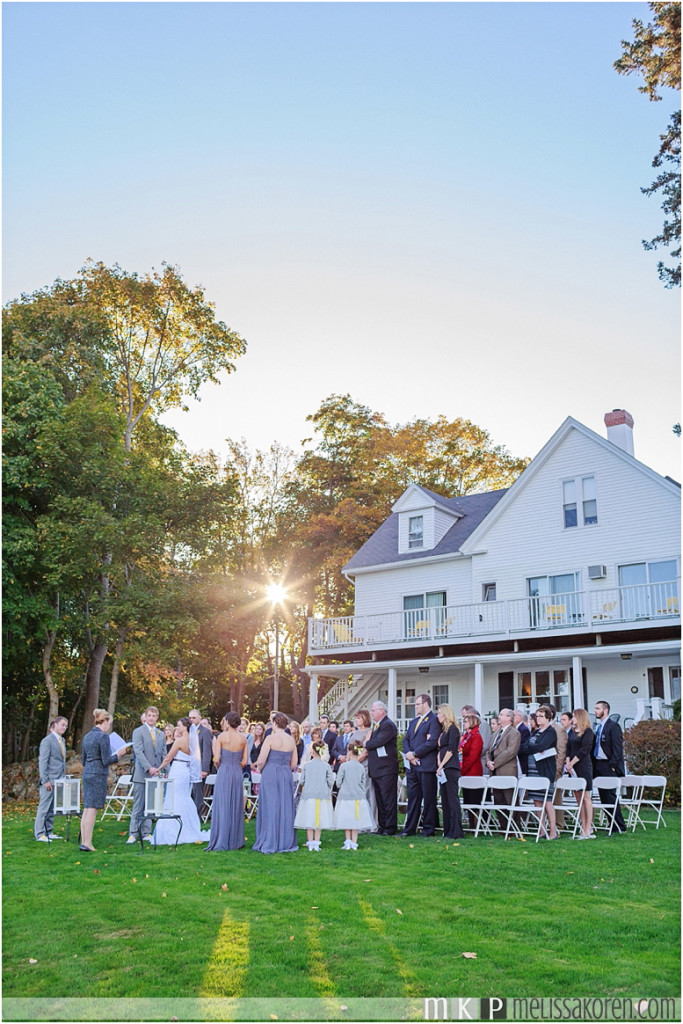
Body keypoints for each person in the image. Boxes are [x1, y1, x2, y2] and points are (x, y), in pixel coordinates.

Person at [81, 709, 129, 851]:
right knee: (93, 809)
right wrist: (119, 754)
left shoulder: (87, 737)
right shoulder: (103, 737)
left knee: (87, 808)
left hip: (88, 772)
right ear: (105, 721)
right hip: (98, 774)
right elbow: (106, 760)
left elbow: (83, 760)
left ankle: (84, 841)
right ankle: (87, 843)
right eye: (109, 723)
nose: (109, 726)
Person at [252, 711, 299, 854]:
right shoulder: (291, 740)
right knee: (284, 805)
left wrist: (261, 769)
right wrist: (285, 768)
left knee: (271, 805)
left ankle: (270, 839)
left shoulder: (270, 738)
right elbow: (294, 763)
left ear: (274, 723)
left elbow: (260, 760)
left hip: (271, 772)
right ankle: (284, 840)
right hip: (285, 773)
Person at [153, 719, 204, 844]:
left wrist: (158, 769)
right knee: (183, 797)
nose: (177, 727)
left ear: (185, 727)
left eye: (179, 725)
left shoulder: (180, 741)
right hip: (186, 771)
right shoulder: (192, 741)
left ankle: (173, 829)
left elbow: (168, 757)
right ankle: (188, 827)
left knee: (173, 798)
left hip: (178, 770)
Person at [205, 711, 248, 852]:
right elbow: (245, 761)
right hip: (236, 772)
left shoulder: (221, 737)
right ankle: (235, 840)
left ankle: (221, 838)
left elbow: (216, 759)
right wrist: (235, 766)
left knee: (222, 804)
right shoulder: (243, 739)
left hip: (224, 771)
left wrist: (221, 767)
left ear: (228, 722)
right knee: (235, 804)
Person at [400, 694, 441, 837]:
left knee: (429, 798)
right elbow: (406, 740)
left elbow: (432, 742)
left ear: (425, 704)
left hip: (426, 765)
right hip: (413, 766)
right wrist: (409, 755)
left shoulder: (434, 721)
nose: (415, 706)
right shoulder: (413, 721)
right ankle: (409, 829)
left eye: (417, 704)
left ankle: (428, 829)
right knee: (413, 798)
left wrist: (415, 753)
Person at [518, 705, 558, 840]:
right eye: (537, 716)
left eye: (541, 716)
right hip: (532, 770)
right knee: (536, 801)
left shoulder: (551, 732)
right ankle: (541, 829)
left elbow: (542, 746)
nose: (538, 719)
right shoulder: (535, 732)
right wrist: (533, 748)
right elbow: (523, 748)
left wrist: (532, 747)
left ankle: (553, 831)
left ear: (548, 718)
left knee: (547, 800)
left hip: (544, 770)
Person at [127, 706, 165, 844]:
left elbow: (163, 754)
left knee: (150, 805)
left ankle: (146, 832)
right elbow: (138, 752)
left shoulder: (161, 734)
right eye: (149, 715)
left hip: (155, 776)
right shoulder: (138, 732)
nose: (151, 718)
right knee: (138, 805)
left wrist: (163, 769)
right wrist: (149, 768)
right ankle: (133, 833)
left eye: (154, 716)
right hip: (142, 775)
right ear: (145, 716)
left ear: (157, 718)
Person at [364, 701, 399, 835]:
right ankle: (382, 825)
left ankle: (390, 827)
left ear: (381, 711)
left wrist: (367, 743)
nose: (371, 713)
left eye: (373, 711)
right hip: (377, 768)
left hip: (386, 769)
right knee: (380, 799)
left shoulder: (388, 725)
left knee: (387, 799)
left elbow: (378, 742)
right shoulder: (377, 726)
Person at [592, 700, 627, 833]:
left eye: (598, 708)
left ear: (605, 710)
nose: (595, 711)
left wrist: (613, 764)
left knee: (610, 796)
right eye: (595, 708)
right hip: (599, 763)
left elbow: (617, 747)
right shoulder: (599, 726)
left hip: (609, 764)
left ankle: (619, 825)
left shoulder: (613, 726)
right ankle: (611, 823)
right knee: (603, 796)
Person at [485, 708, 520, 832]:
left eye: (502, 714)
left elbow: (511, 751)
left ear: (509, 718)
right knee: (498, 800)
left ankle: (515, 827)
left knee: (510, 799)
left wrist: (496, 763)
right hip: (494, 771)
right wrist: (488, 761)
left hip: (507, 771)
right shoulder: (495, 733)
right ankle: (503, 827)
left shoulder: (514, 733)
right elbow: (489, 750)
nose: (499, 716)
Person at [294, 741, 334, 851]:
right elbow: (330, 781)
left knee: (309, 818)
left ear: (312, 751)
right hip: (321, 795)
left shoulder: (307, 765)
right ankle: (316, 842)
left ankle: (310, 842)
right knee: (319, 819)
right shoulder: (326, 766)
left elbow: (302, 781)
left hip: (308, 795)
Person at [333, 740, 374, 849]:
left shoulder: (344, 766)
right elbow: (362, 783)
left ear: (349, 753)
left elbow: (338, 782)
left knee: (346, 819)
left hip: (345, 797)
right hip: (358, 797)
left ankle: (347, 841)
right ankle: (354, 842)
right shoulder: (361, 767)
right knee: (355, 819)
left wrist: (341, 785)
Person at [34, 716, 68, 842]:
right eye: (62, 724)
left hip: (59, 779)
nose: (64, 727)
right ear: (54, 724)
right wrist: (45, 780)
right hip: (49, 780)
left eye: (66, 726)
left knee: (51, 808)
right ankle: (39, 834)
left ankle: (49, 831)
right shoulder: (47, 741)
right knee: (44, 808)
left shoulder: (62, 740)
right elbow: (43, 762)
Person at [566, 708, 595, 840]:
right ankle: (582, 825)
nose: (572, 719)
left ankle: (588, 827)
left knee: (586, 797)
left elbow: (585, 749)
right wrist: (568, 762)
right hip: (572, 767)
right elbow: (568, 747)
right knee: (578, 798)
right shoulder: (572, 731)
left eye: (574, 717)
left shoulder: (588, 732)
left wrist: (573, 762)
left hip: (583, 766)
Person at [435, 704, 463, 839]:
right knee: (445, 800)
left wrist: (442, 765)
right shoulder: (443, 730)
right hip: (443, 767)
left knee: (452, 799)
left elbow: (451, 750)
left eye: (440, 713)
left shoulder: (453, 729)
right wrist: (439, 764)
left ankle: (456, 830)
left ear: (446, 714)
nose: (438, 716)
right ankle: (447, 830)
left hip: (450, 767)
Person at [350, 709, 378, 831]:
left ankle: (371, 824)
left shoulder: (369, 732)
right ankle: (358, 822)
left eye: (359, 718)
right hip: (353, 765)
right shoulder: (354, 733)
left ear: (365, 719)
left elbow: (366, 750)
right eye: (356, 718)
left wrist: (357, 761)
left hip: (364, 766)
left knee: (367, 793)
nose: (356, 720)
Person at [459, 713, 483, 830]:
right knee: (467, 798)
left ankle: (476, 824)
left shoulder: (476, 736)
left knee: (474, 799)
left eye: (466, 722)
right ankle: (470, 824)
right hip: (465, 770)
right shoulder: (466, 736)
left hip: (473, 771)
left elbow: (473, 756)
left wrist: (462, 769)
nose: (463, 723)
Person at [188, 709, 213, 816]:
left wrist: (204, 769)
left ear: (199, 718)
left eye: (194, 718)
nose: (191, 720)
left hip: (199, 768)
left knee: (198, 793)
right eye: (190, 718)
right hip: (188, 766)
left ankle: (197, 816)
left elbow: (207, 752)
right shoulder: (188, 731)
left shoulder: (205, 732)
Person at [514, 710, 531, 775]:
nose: (512, 717)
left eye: (514, 715)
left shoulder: (524, 729)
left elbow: (523, 747)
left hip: (521, 762)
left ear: (519, 717)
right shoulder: (516, 728)